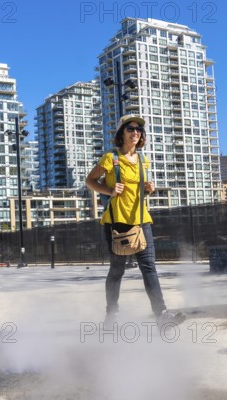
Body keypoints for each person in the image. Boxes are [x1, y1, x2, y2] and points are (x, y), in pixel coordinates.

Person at [86, 115, 185, 326]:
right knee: (117, 269)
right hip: (116, 222)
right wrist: (110, 190)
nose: (135, 132)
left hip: (141, 220)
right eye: (130, 128)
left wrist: (148, 190)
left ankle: (162, 315)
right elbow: (90, 180)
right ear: (121, 133)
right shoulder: (110, 159)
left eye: (139, 129)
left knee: (149, 267)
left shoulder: (142, 160)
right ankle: (111, 315)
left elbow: (135, 192)